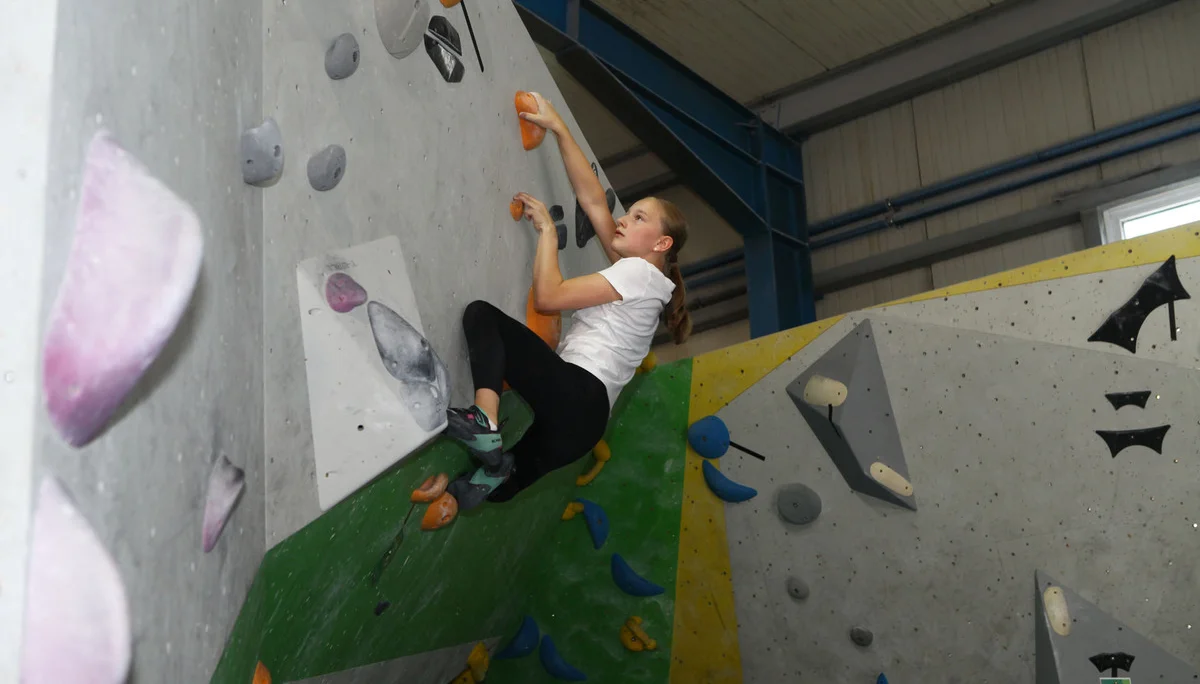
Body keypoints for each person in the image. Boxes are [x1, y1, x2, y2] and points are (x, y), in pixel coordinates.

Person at [443, 92, 692, 509]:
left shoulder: (637, 274)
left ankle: (484, 419)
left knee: (481, 317)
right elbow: (593, 200)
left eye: (639, 218)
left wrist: (548, 234)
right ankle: (483, 473)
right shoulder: (648, 283)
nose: (625, 220)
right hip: (584, 428)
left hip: (578, 392)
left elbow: (548, 297)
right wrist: (558, 128)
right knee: (499, 486)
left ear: (662, 242)